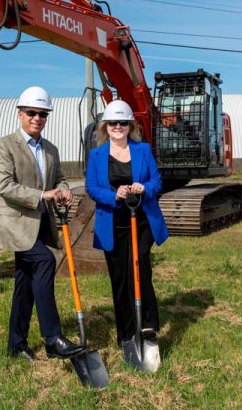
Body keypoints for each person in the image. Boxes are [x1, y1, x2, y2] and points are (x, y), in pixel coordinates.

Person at [0, 86, 83, 362]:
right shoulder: (4, 146)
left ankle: (16, 344)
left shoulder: (51, 150)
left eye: (42, 114)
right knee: (44, 261)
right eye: (31, 112)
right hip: (14, 224)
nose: (37, 118)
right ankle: (53, 338)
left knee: (25, 283)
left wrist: (64, 190)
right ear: (20, 114)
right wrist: (43, 195)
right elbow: (5, 186)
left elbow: (61, 179)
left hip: (39, 225)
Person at [85, 100, 169, 346]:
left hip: (141, 219)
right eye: (113, 123)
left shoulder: (142, 150)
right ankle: (126, 331)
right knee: (120, 277)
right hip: (113, 223)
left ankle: (148, 325)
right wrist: (114, 195)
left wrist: (145, 187)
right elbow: (92, 188)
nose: (118, 127)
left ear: (129, 125)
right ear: (105, 126)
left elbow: (157, 180)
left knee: (141, 265)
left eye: (123, 122)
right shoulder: (97, 155)